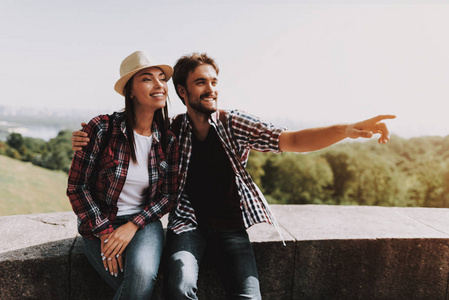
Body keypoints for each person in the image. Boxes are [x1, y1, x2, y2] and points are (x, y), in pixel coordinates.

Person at [71, 52, 395, 299]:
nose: (211, 89)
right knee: (179, 287)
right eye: (201, 83)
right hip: (188, 225)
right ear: (182, 92)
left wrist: (347, 129)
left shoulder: (232, 124)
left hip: (232, 228)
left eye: (214, 82)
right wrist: (85, 137)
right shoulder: (171, 130)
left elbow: (290, 140)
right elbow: (126, 139)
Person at [67, 50, 179, 300]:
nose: (159, 84)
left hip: (144, 223)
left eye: (162, 78)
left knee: (140, 276)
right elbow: (77, 186)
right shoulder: (102, 128)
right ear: (130, 91)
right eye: (147, 79)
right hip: (99, 224)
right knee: (139, 290)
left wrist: (133, 225)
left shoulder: (168, 140)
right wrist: (104, 230)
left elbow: (168, 196)